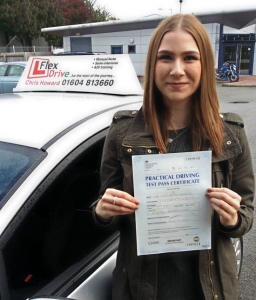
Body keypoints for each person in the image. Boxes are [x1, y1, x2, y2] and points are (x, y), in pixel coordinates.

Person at [92, 14, 255, 300]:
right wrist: (103, 213)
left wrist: (231, 219)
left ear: (204, 64)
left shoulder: (231, 134)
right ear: (152, 65)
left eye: (189, 58)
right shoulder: (121, 134)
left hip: (210, 288)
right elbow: (107, 210)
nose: (177, 70)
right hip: (141, 289)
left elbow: (246, 214)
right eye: (165, 57)